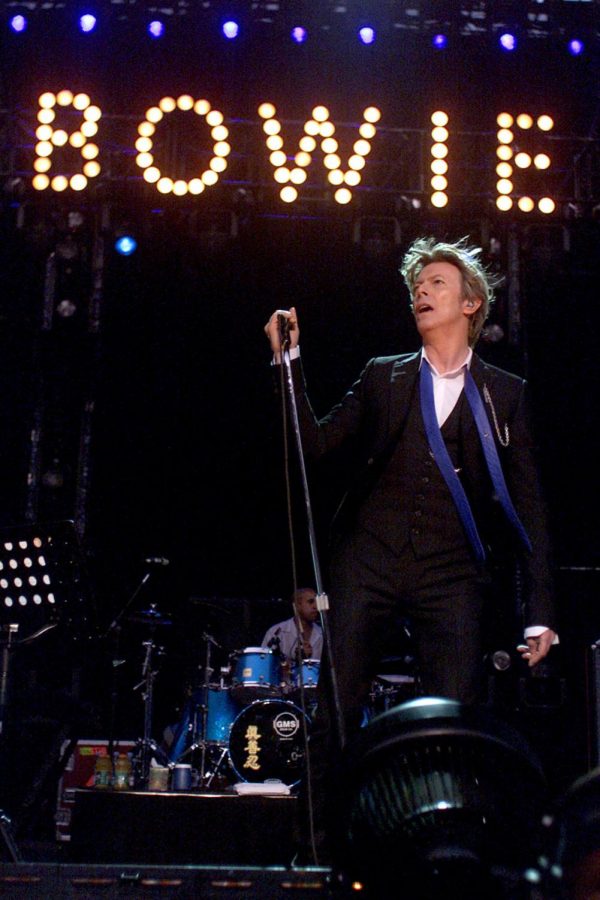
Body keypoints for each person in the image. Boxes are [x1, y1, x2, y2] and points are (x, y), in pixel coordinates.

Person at [264, 236, 557, 750]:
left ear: (470, 304)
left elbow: (528, 506)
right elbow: (313, 444)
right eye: (416, 287)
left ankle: (439, 827)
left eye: (436, 283)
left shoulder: (505, 393)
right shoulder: (385, 376)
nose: (421, 292)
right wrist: (289, 364)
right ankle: (323, 830)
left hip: (452, 572)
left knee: (454, 720)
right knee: (334, 715)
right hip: (368, 562)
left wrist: (541, 611)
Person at [262, 587, 323, 666]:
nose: (316, 606)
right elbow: (264, 663)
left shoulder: (322, 633)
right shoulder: (277, 632)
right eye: (310, 602)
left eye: (316, 602)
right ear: (297, 605)